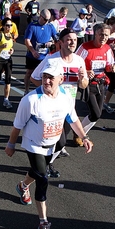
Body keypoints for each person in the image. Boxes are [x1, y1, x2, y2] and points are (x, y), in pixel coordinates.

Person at [5, 59, 93, 229]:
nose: (47, 82)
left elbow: (74, 120)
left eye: (51, 78)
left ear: (60, 79)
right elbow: (17, 126)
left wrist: (84, 137)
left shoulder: (66, 99)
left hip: (51, 145)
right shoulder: (30, 100)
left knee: (38, 172)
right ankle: (43, 223)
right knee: (43, 178)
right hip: (33, 144)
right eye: (45, 77)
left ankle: (23, 185)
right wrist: (11, 144)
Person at [30, 28, 89, 176]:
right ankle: (43, 165)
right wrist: (49, 90)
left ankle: (46, 162)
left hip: (69, 107)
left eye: (74, 40)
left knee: (60, 141)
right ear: (61, 42)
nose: (72, 42)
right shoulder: (51, 60)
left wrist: (82, 79)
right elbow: (33, 77)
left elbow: (84, 85)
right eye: (69, 39)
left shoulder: (79, 60)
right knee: (59, 141)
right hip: (51, 107)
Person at [75, 23, 115, 137]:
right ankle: (80, 135)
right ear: (95, 34)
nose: (103, 38)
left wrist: (113, 68)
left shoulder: (107, 49)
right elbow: (74, 65)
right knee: (96, 114)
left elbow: (109, 65)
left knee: (97, 114)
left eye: (106, 35)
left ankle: (79, 134)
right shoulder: (85, 47)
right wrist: (86, 71)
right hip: (88, 84)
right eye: (101, 34)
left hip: (101, 83)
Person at [23, 9, 58, 95]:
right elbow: (27, 40)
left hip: (44, 56)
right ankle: (26, 90)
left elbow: (57, 39)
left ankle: (41, 92)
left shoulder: (50, 26)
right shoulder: (32, 26)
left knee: (43, 75)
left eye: (48, 20)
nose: (46, 21)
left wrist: (51, 43)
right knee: (29, 73)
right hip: (32, 55)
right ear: (40, 17)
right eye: (45, 19)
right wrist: (33, 51)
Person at [0, 18, 14, 109]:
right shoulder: (0, 35)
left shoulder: (11, 35)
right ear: (3, 26)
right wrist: (1, 46)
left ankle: (6, 99)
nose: (9, 27)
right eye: (7, 25)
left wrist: (12, 50)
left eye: (10, 25)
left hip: (8, 59)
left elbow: (10, 47)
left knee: (8, 79)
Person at [103, 16, 115, 114]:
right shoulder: (104, 34)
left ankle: (105, 102)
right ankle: (99, 101)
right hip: (102, 61)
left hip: (112, 61)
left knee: (113, 84)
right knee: (101, 82)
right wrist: (108, 46)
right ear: (110, 25)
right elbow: (98, 44)